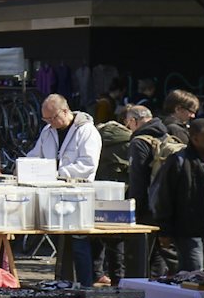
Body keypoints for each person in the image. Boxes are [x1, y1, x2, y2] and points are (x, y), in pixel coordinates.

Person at [26, 94, 101, 285]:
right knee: (63, 245)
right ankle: (64, 284)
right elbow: (36, 155)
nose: (50, 123)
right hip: (54, 196)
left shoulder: (87, 131)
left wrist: (54, 172)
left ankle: (86, 287)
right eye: (46, 119)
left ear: (65, 111)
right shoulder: (47, 130)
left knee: (79, 242)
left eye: (52, 118)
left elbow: (87, 165)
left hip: (78, 196)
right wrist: (24, 166)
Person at [151, 117, 204, 274]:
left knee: (203, 273)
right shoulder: (179, 161)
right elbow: (163, 197)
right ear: (195, 138)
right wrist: (165, 231)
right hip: (187, 230)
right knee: (194, 273)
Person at [125, 104, 175, 277]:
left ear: (133, 121)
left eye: (128, 123)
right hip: (167, 205)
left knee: (141, 258)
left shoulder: (139, 142)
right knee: (160, 255)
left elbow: (137, 180)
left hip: (147, 209)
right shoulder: (168, 136)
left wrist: (135, 211)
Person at [92, 105, 136, 286]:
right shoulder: (130, 141)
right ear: (129, 121)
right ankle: (118, 279)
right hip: (119, 195)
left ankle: (96, 274)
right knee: (116, 239)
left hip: (96, 192)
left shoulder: (96, 134)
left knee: (95, 236)